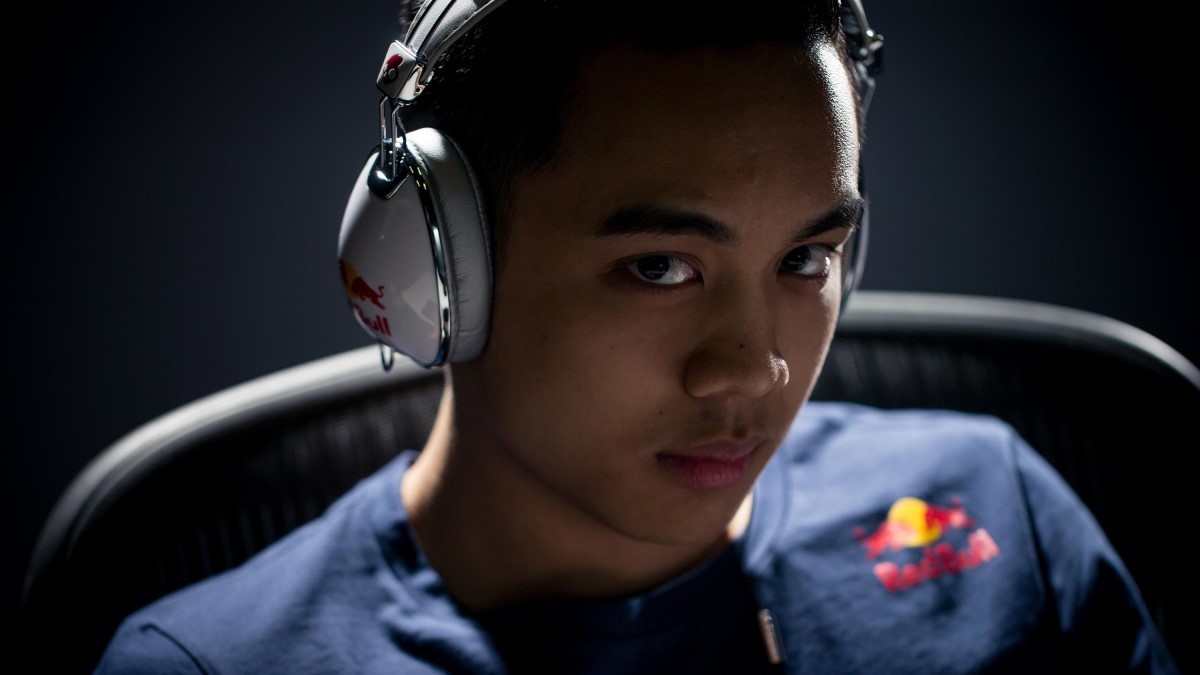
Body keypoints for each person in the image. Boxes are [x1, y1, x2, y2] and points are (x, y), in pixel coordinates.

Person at [93, 1, 1180, 673]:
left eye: (807, 257)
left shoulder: (999, 510)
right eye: (660, 267)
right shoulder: (210, 667)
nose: (754, 366)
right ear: (437, 271)